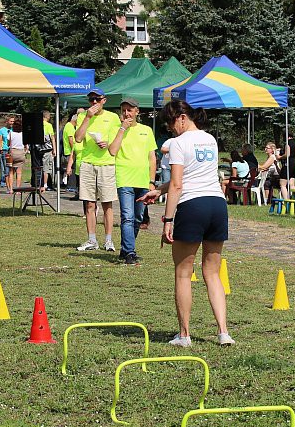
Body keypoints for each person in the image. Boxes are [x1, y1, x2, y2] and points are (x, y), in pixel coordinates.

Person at [140, 100, 234, 347]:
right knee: (212, 273)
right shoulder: (210, 139)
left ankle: (184, 335)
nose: (170, 129)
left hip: (192, 207)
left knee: (183, 274)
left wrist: (167, 220)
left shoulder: (179, 144)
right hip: (217, 205)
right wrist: (159, 191)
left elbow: (179, 184)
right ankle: (224, 332)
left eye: (170, 123)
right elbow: (198, 176)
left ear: (182, 118)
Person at [107, 97, 157, 264]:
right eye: (124, 110)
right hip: (125, 178)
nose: (126, 113)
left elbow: (152, 158)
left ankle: (125, 249)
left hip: (142, 180)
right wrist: (122, 129)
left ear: (137, 111)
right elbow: (112, 151)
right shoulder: (115, 128)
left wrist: (151, 181)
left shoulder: (146, 130)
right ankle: (130, 252)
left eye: (130, 110)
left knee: (137, 217)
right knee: (127, 217)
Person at [74, 89, 120, 251]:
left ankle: (109, 240)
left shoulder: (112, 117)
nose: (94, 103)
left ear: (104, 101)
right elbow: (78, 138)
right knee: (89, 205)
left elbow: (117, 140)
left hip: (106, 164)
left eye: (97, 99)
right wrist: (87, 117)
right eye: (91, 100)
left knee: (107, 204)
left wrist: (107, 143)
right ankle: (92, 240)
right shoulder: (82, 116)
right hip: (87, 164)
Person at [62, 111, 80, 195]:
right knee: (72, 170)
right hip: (69, 151)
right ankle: (71, 187)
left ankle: (70, 186)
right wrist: (75, 148)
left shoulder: (68, 126)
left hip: (68, 151)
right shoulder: (70, 127)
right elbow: (70, 140)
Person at [0, 115, 14, 194]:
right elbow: (0, 140)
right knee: (6, 169)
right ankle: (8, 187)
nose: (12, 123)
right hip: (5, 150)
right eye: (11, 121)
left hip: (12, 150)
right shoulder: (2, 130)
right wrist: (0, 149)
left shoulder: (15, 129)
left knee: (12, 169)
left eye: (13, 121)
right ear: (7, 122)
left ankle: (12, 185)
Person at [41, 111, 57, 190]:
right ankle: (45, 184)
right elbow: (52, 137)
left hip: (39, 149)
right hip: (47, 149)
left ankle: (38, 183)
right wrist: (54, 149)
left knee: (39, 167)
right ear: (47, 117)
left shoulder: (38, 125)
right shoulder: (48, 125)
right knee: (46, 168)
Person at [9, 116, 26, 188]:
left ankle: (10, 189)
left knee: (11, 172)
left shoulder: (11, 133)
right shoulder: (23, 134)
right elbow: (25, 144)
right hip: (21, 153)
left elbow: (8, 143)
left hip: (13, 152)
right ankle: (18, 189)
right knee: (19, 173)